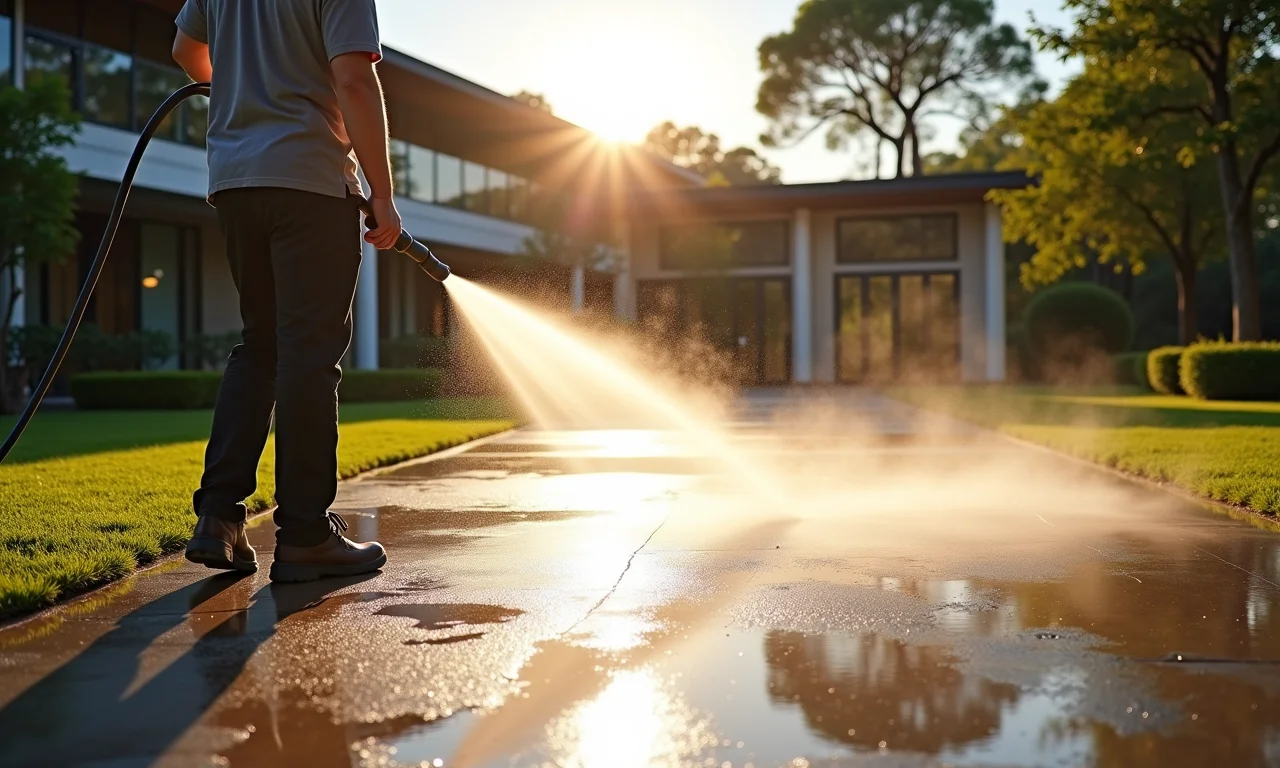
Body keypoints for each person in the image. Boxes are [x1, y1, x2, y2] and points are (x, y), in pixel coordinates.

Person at [172, 0, 402, 582]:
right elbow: (353, 76)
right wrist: (382, 193)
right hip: (308, 180)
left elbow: (185, 51)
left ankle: (219, 517)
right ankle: (303, 535)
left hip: (235, 184)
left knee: (261, 346)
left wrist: (248, 94)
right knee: (308, 356)